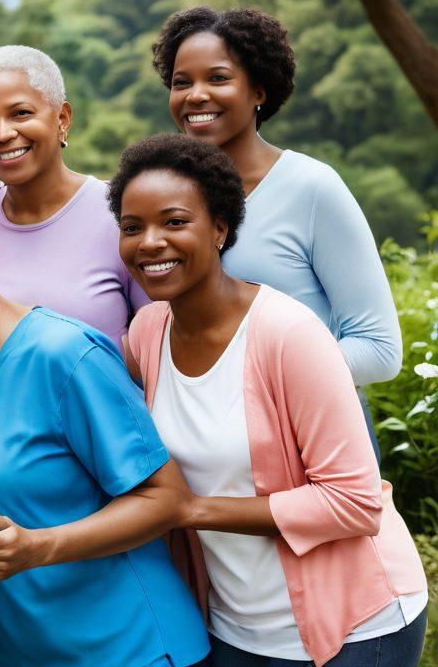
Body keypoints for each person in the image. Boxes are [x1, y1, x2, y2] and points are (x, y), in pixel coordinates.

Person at [112, 134, 427, 667]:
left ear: (220, 228)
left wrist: (191, 511)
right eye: (131, 227)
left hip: (354, 625)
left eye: (174, 222)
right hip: (234, 627)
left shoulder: (288, 334)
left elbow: (354, 501)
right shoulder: (147, 331)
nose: (150, 242)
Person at [0, 170, 210, 667]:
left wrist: (39, 547)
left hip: (129, 648)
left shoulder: (67, 354)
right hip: (4, 652)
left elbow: (168, 498)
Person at [152, 7, 401, 452]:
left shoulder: (311, 187)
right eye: (181, 82)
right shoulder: (161, 197)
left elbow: (379, 350)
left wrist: (247, 379)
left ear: (259, 90)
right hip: (197, 448)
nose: (196, 95)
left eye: (218, 78)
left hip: (315, 441)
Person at [0, 45, 147, 348]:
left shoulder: (121, 213)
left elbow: (161, 339)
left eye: (21, 113)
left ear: (62, 118)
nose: (2, 134)